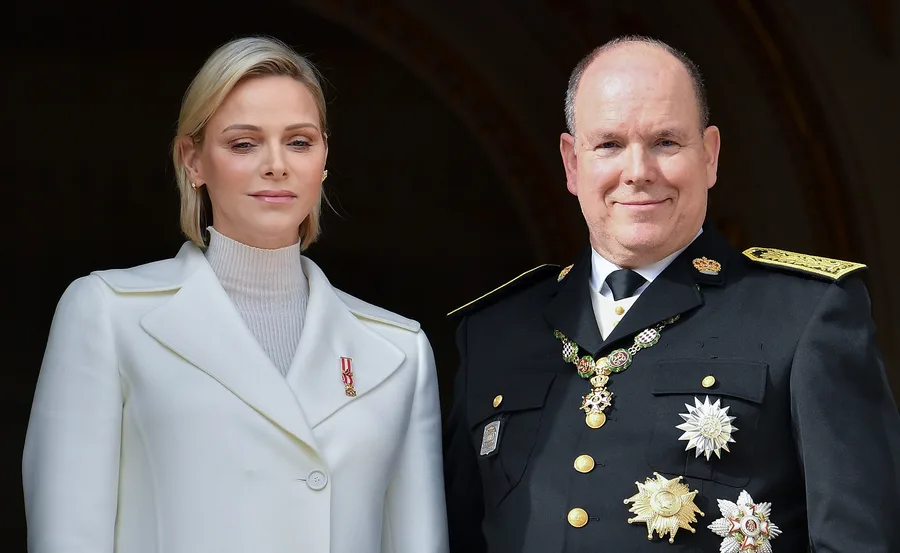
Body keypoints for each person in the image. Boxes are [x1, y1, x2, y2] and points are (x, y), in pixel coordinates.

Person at [443, 35, 900, 553]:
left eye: (665, 142)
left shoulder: (804, 316)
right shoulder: (492, 334)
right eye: (609, 144)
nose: (638, 171)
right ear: (573, 163)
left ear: (709, 155)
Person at [23, 36, 448, 553]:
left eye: (299, 141)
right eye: (244, 143)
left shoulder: (400, 352)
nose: (276, 164)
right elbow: (68, 538)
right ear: (193, 161)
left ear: (324, 159)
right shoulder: (107, 315)